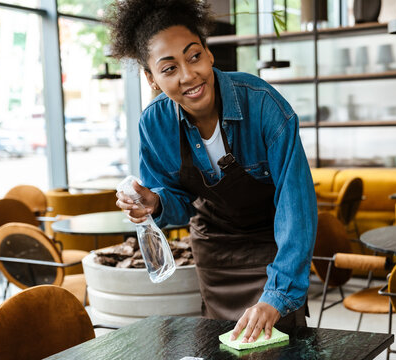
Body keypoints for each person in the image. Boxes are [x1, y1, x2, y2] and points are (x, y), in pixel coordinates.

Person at [108, 0, 317, 343]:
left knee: (280, 345)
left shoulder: (264, 105)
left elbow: (297, 210)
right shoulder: (154, 123)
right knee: (220, 345)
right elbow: (177, 201)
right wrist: (154, 203)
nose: (188, 75)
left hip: (272, 248)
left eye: (193, 57)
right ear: (152, 78)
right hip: (216, 252)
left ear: (208, 53)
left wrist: (276, 296)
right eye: (169, 68)